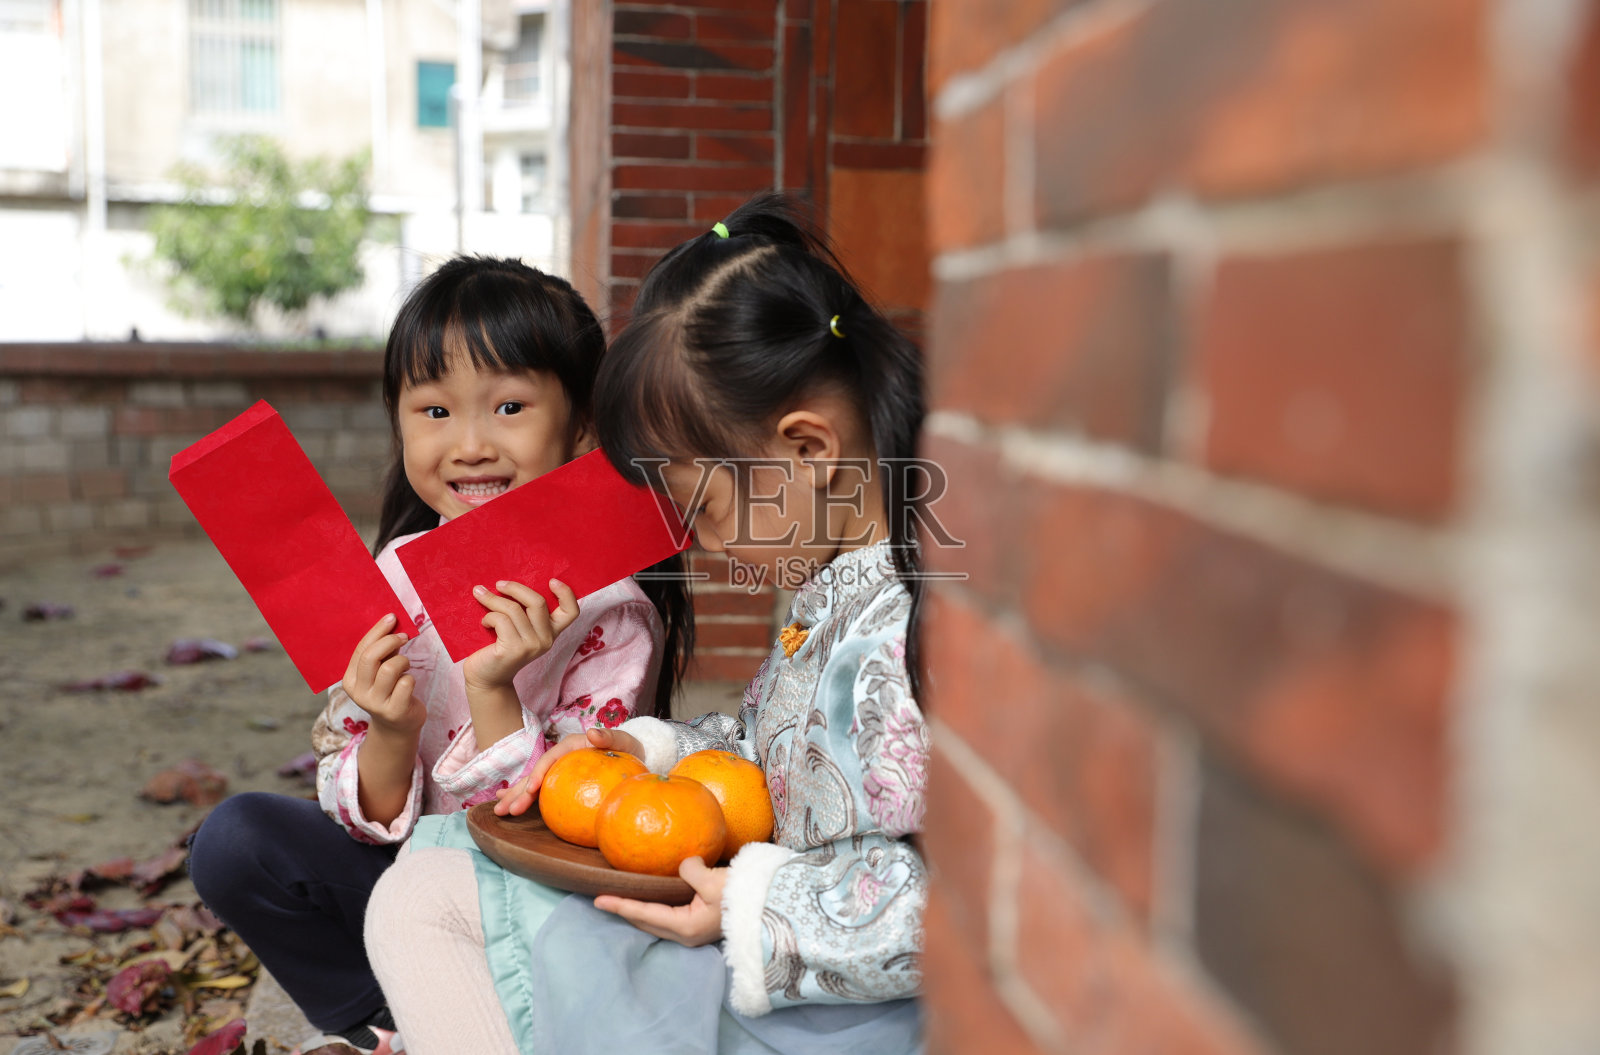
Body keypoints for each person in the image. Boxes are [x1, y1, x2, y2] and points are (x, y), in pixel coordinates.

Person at [363, 194, 930, 1054]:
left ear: (808, 451)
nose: (693, 540)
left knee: (425, 900)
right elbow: (776, 754)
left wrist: (748, 907)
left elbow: (969, 896)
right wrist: (645, 751)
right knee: (434, 864)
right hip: (759, 936)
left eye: (700, 506)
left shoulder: (912, 634)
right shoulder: (835, 589)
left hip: (826, 1002)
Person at [187, 257, 691, 1055]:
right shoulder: (393, 573)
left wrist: (493, 688)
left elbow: (576, 829)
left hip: (529, 906)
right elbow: (362, 814)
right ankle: (372, 1023)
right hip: (398, 880)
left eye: (510, 405)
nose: (469, 444)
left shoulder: (610, 610)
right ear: (399, 422)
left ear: (584, 423)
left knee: (469, 890)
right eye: (434, 410)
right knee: (236, 838)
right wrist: (389, 729)